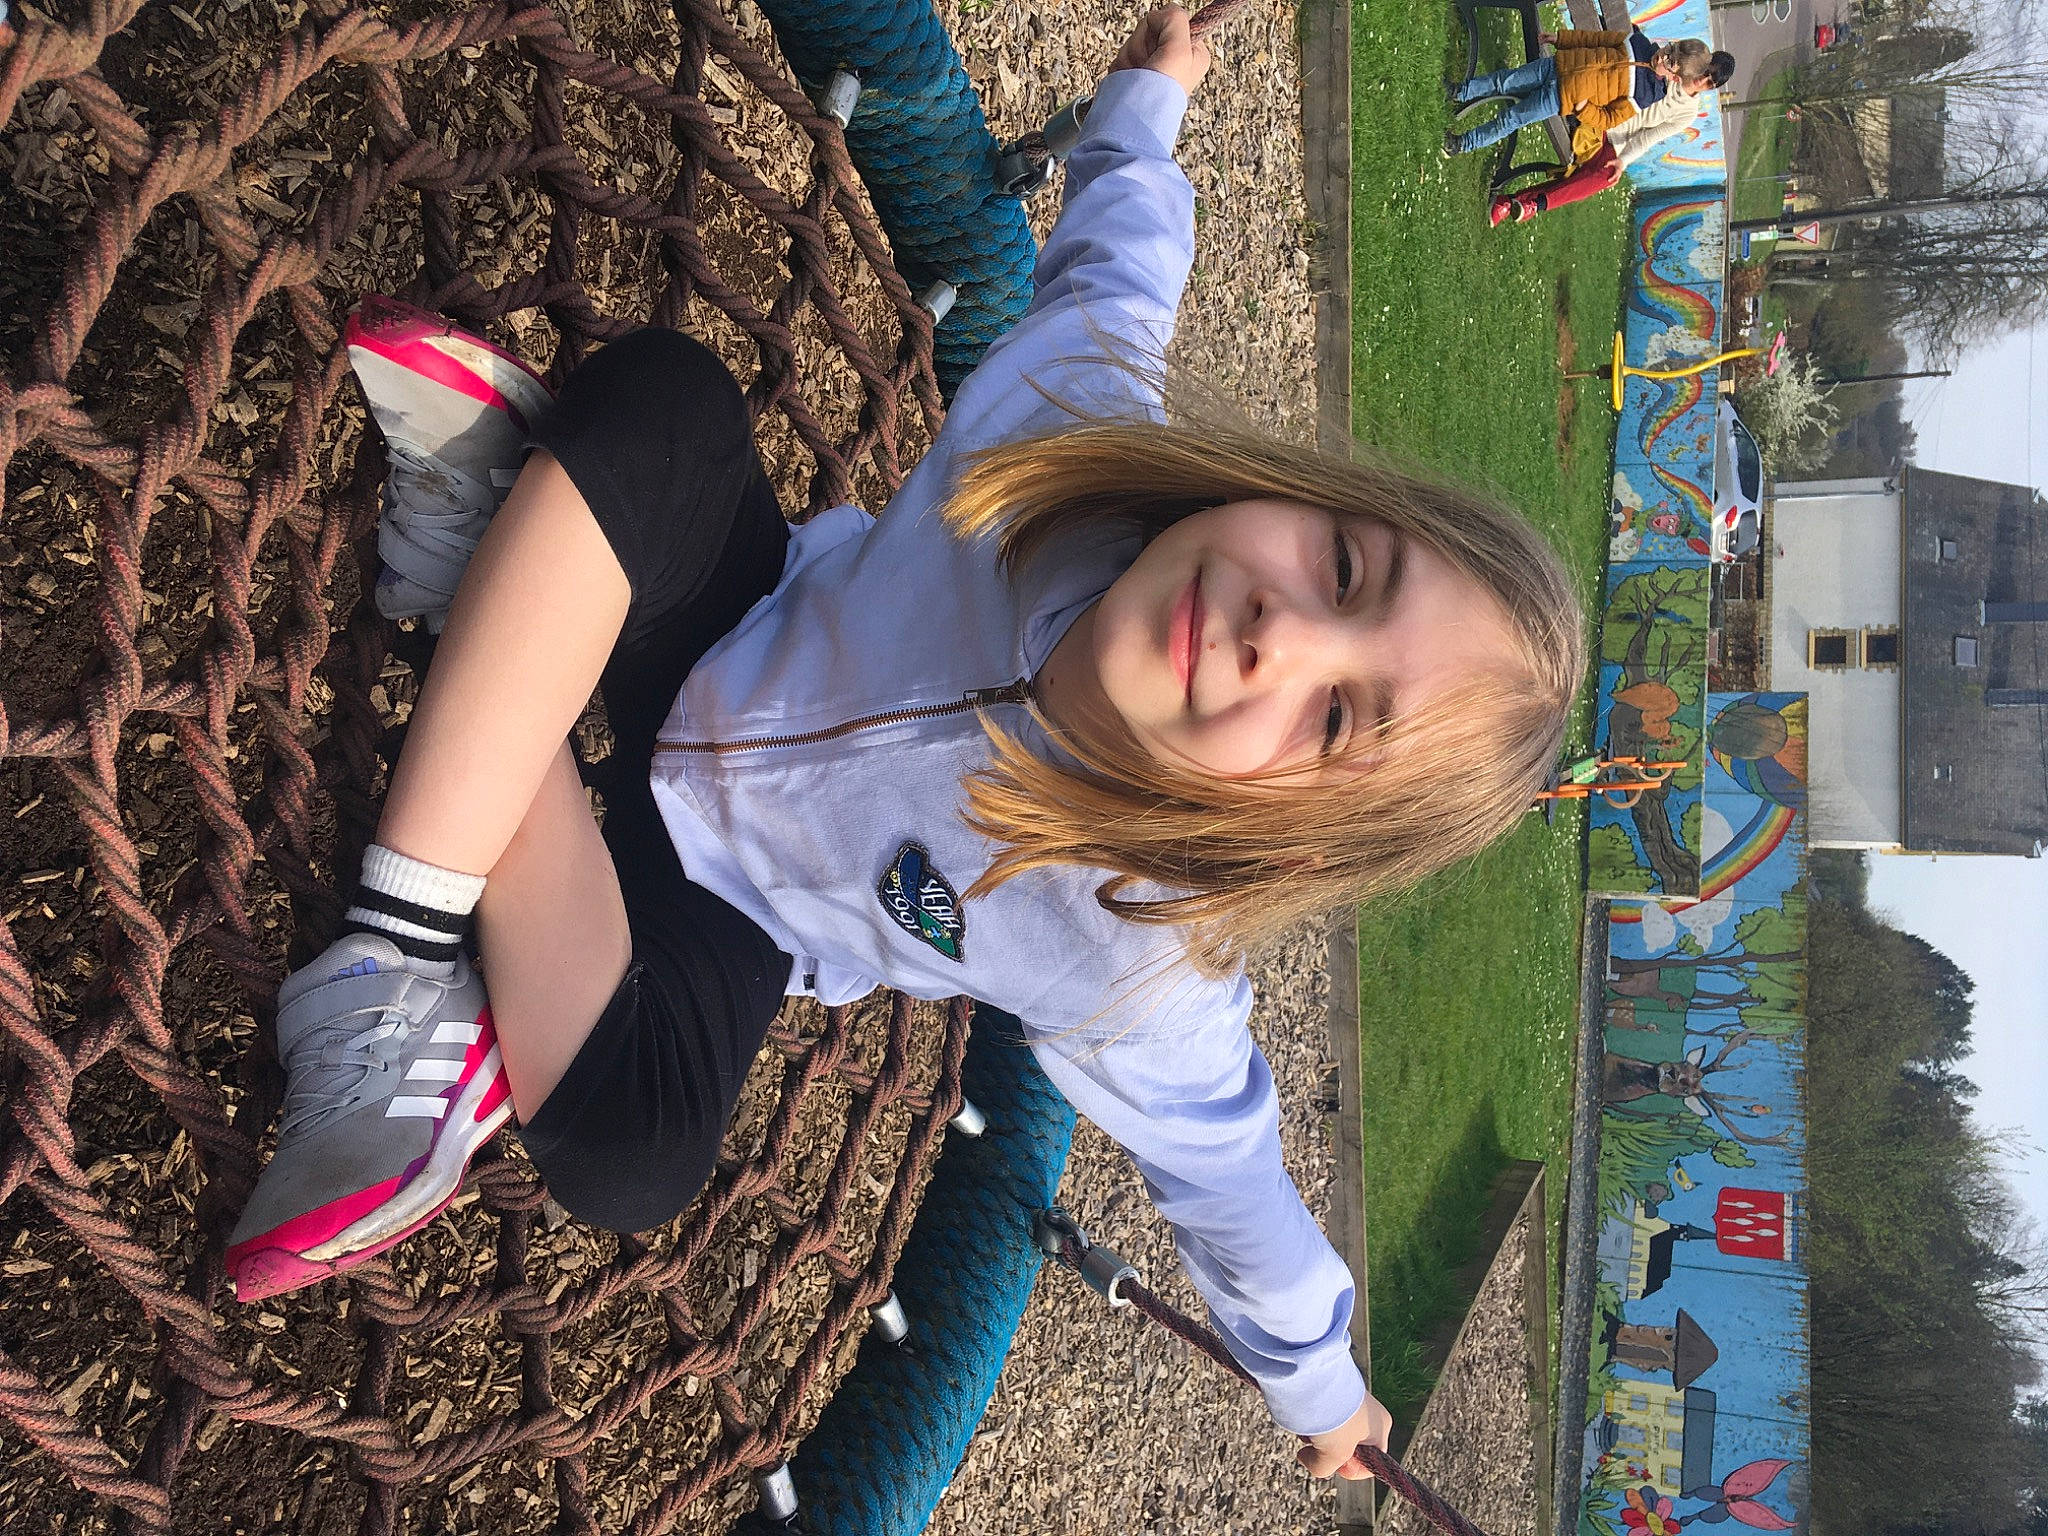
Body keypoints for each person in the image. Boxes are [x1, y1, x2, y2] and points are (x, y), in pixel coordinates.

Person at [224, 5, 1584, 1480]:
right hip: (723, 624)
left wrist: (1322, 1390)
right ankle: (403, 933)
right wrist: (1147, 103)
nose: (1281, 634)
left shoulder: (1136, 960)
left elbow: (1236, 1187)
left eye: (1337, 721)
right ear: (1297, 496)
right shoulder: (1065, 424)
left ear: (1297, 838)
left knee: (637, 1152)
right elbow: (1121, 268)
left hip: (725, 913)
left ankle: (503, 606)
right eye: (1342, 570)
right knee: (669, 407)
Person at [1487, 39, 1735, 227]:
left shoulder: (1688, 112)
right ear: (1701, 64)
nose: (1702, 81)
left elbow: (1648, 137)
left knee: (1605, 176)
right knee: (1591, 167)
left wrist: (1623, 161)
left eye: (1709, 83)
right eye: (1705, 73)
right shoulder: (1667, 66)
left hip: (1614, 140)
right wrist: (1562, 39)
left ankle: (1528, 204)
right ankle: (1514, 202)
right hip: (1596, 115)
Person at [1443, 28, 1716, 165]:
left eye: (1670, 62)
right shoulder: (1638, 42)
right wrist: (1560, 39)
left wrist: (1585, 110)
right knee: (1504, 80)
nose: (1663, 56)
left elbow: (1609, 119)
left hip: (1560, 99)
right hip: (1556, 66)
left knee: (1510, 119)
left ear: (1675, 78)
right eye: (1670, 48)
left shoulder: (1645, 96)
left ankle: (1463, 143)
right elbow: (1595, 39)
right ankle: (1459, 91)